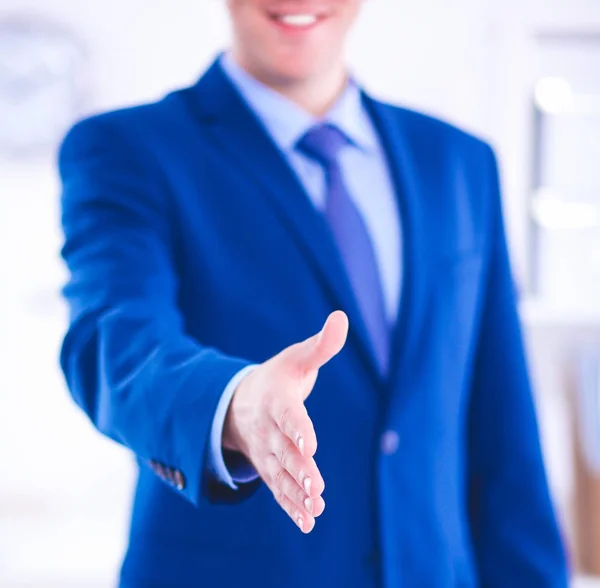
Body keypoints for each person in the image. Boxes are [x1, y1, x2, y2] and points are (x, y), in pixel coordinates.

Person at [58, 1, 569, 586]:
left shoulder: (459, 162)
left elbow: (503, 429)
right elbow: (114, 341)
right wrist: (234, 404)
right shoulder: (126, 149)